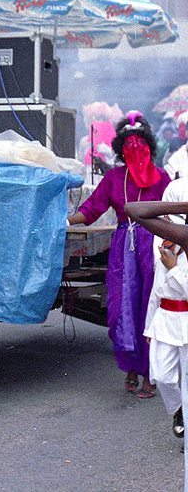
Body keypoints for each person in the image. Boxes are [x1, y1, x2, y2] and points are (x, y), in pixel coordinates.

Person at [68, 111, 172, 398]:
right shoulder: (114, 177)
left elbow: (174, 216)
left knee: (149, 310)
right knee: (118, 309)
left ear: (149, 146)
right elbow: (92, 209)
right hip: (121, 250)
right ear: (121, 149)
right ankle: (130, 367)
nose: (135, 149)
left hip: (153, 250)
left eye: (141, 144)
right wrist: (66, 221)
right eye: (129, 144)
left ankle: (150, 374)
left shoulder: (162, 178)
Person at [126, 193, 188, 492]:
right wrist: (150, 324)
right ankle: (178, 411)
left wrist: (175, 267)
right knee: (162, 376)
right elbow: (156, 288)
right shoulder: (159, 243)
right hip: (164, 318)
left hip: (186, 320)